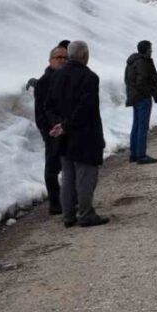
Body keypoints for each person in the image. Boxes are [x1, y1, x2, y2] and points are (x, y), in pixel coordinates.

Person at [44, 40, 109, 229]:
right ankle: (86, 214)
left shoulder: (56, 76)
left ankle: (68, 215)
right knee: (85, 177)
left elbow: (48, 105)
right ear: (85, 56)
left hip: (64, 136)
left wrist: (59, 124)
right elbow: (85, 108)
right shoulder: (89, 77)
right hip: (85, 135)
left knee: (68, 176)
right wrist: (67, 125)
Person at [33, 44, 69, 214]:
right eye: (58, 57)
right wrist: (49, 130)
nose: (62, 60)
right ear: (50, 60)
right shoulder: (44, 81)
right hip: (51, 131)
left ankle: (69, 199)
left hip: (68, 129)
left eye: (65, 57)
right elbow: (41, 110)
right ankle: (55, 203)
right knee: (52, 167)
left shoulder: (67, 78)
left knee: (68, 165)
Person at [125, 40, 157, 164]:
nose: (151, 51)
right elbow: (141, 81)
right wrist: (147, 92)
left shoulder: (132, 62)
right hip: (142, 97)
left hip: (135, 97)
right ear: (146, 50)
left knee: (136, 125)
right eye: (150, 49)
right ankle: (141, 155)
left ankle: (134, 153)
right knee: (142, 126)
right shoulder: (142, 62)